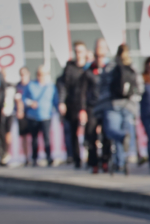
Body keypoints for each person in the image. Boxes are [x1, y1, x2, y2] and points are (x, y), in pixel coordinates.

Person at [104, 45, 142, 175]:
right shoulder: (132, 67)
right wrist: (134, 100)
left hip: (113, 104)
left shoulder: (110, 67)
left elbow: (103, 86)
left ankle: (119, 163)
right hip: (128, 105)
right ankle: (120, 161)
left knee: (112, 132)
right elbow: (140, 88)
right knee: (124, 134)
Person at [57, 41, 89, 168]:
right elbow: (63, 86)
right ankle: (77, 159)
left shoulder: (89, 67)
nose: (78, 54)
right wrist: (61, 102)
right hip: (73, 105)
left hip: (88, 104)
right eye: (76, 51)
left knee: (90, 132)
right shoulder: (69, 68)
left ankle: (92, 158)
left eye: (81, 51)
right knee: (73, 133)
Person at [22, 65, 60, 167]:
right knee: (34, 138)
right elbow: (24, 98)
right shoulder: (31, 85)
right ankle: (34, 158)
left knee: (46, 137)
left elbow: (55, 100)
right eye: (39, 74)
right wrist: (30, 103)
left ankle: (49, 157)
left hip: (46, 116)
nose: (41, 76)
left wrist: (59, 109)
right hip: (33, 116)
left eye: (43, 74)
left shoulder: (51, 86)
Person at [84, 41, 110, 173]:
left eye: (102, 56)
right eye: (97, 56)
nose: (99, 58)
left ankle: (105, 161)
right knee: (91, 135)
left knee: (107, 135)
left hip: (105, 106)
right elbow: (83, 92)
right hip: (92, 107)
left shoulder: (109, 69)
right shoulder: (88, 71)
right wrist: (82, 109)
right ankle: (94, 163)